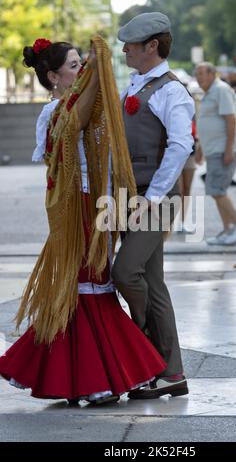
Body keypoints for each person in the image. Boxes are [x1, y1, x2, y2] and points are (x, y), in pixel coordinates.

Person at [0, 36, 167, 405]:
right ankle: (99, 378)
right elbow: (67, 144)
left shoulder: (85, 108)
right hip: (77, 206)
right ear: (53, 76)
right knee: (89, 284)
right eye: (74, 66)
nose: (82, 71)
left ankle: (96, 376)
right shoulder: (58, 113)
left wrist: (99, 62)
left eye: (81, 64)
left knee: (95, 284)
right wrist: (99, 62)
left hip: (99, 203)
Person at [112, 12, 195, 399]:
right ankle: (171, 373)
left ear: (152, 47)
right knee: (154, 281)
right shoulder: (134, 84)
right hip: (132, 194)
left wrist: (153, 198)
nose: (124, 48)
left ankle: (145, 346)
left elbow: (181, 146)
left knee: (126, 271)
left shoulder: (171, 90)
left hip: (153, 196)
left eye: (131, 44)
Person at [195, 62, 236, 246]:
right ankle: (228, 230)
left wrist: (229, 150)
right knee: (217, 190)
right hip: (214, 150)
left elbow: (230, 121)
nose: (198, 77)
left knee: (217, 190)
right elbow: (208, 123)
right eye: (197, 74)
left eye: (202, 73)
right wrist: (201, 149)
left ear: (212, 74)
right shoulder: (209, 93)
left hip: (223, 150)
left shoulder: (221, 89)